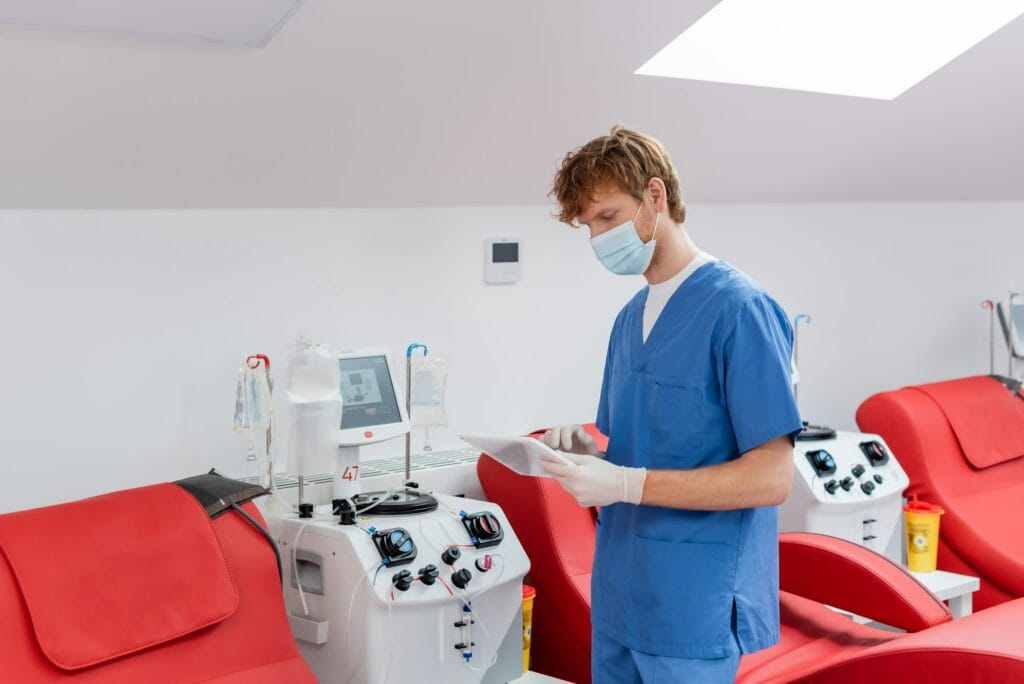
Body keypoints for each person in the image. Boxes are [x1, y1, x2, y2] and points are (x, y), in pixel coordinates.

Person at [539, 125, 802, 683]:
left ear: (655, 197)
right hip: (620, 596)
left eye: (607, 217)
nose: (597, 239)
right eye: (588, 227)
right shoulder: (628, 320)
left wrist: (627, 485)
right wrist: (593, 457)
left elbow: (772, 479)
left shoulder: (740, 310)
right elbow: (640, 449)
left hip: (693, 606)